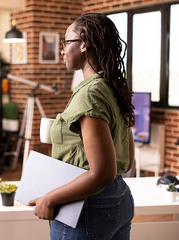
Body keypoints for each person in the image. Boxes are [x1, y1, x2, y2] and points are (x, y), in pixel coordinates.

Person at [27, 13, 135, 239]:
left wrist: (50, 198)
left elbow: (102, 173)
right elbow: (127, 162)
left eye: (66, 42)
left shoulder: (90, 94)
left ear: (84, 44)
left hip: (87, 207)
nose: (63, 50)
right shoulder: (113, 87)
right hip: (119, 197)